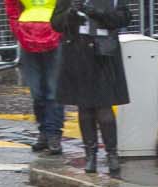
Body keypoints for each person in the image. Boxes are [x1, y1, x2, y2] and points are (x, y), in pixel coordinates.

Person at [55, 0, 130, 176]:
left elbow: (123, 18)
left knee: (104, 108)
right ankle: (90, 154)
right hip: (77, 52)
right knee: (84, 107)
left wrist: (94, 11)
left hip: (103, 54)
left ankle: (112, 154)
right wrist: (70, 14)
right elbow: (56, 23)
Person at [7, 0, 66, 156]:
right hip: (27, 36)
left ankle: (53, 133)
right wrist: (18, 30)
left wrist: (61, 29)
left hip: (54, 33)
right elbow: (12, 7)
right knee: (37, 92)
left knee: (54, 90)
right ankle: (45, 131)